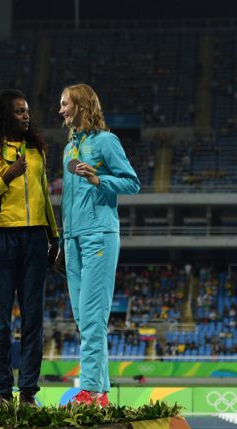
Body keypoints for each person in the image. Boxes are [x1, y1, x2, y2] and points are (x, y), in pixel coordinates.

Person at [0, 89, 59, 406]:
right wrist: (6, 176)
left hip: (35, 237)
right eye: (20, 112)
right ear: (6, 115)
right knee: (0, 319)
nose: (27, 117)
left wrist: (55, 236)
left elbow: (45, 195)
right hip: (1, 238)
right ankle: (3, 392)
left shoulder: (36, 149)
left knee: (33, 318)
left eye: (27, 112)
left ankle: (28, 393)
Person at [58, 83, 141, 406]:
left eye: (65, 104)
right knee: (82, 318)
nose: (61, 110)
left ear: (80, 105)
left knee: (92, 317)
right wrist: (63, 236)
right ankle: (100, 392)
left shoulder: (106, 141)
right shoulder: (69, 149)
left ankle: (90, 390)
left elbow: (132, 182)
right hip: (73, 238)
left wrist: (100, 180)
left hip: (99, 235)